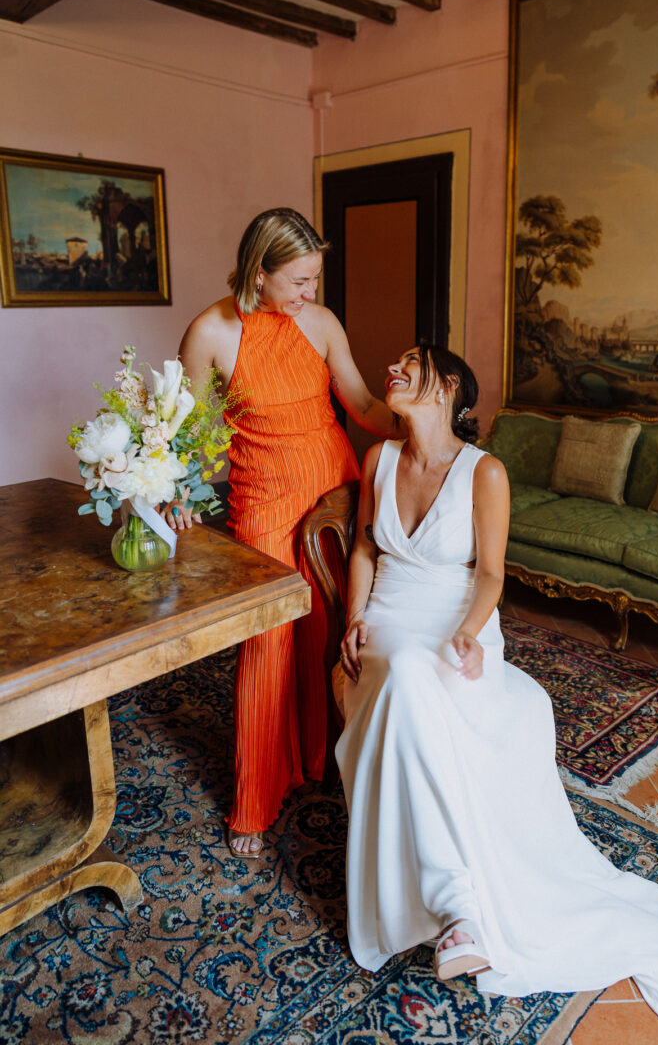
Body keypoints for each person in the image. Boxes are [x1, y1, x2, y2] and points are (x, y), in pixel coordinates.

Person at [336, 342, 658, 1025]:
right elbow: (364, 546)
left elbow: (491, 575)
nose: (393, 367)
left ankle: (458, 906)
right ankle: (456, 904)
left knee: (426, 675)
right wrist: (354, 617)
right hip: (390, 618)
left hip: (457, 623)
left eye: (411, 362)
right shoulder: (378, 459)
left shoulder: (485, 472)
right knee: (407, 672)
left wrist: (469, 632)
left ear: (447, 387)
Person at [171, 208, 396, 859]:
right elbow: (189, 433)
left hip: (335, 489)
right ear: (257, 273)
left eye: (314, 278)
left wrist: (430, 431)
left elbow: (361, 406)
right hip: (263, 501)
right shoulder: (210, 332)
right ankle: (255, 799)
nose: (310, 292)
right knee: (267, 646)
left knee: (334, 631)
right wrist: (177, 491)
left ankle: (331, 761)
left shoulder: (321, 323)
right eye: (298, 280)